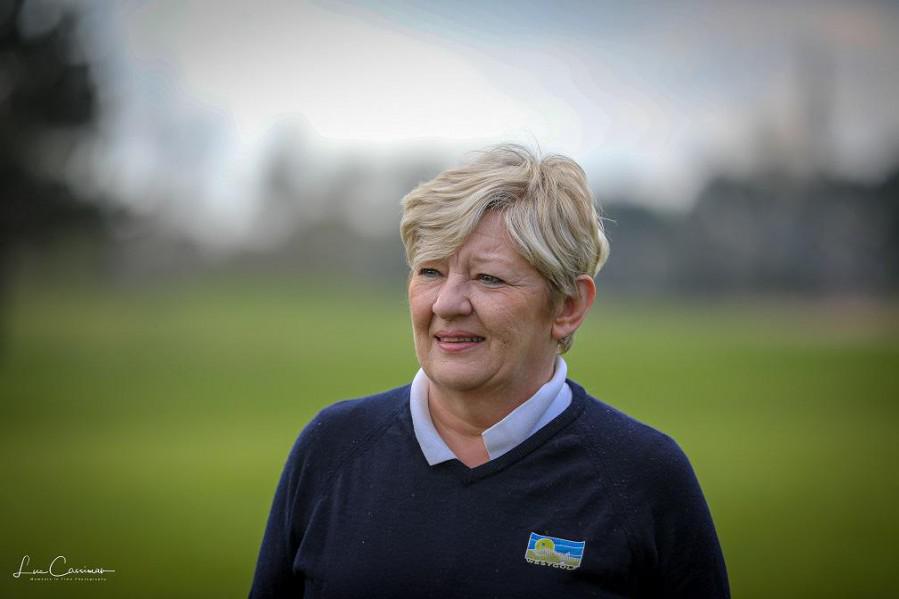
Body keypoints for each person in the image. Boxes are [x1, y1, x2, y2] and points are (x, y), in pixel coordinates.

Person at [249, 145, 730, 598]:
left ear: (568, 306)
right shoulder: (331, 447)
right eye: (431, 271)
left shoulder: (644, 478)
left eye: (488, 278)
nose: (447, 303)